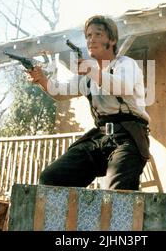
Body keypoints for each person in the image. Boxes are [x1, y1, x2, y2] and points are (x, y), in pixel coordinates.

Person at [26, 15, 150, 190]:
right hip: (100, 137)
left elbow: (123, 87)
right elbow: (59, 92)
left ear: (112, 40)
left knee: (115, 191)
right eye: (89, 36)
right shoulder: (88, 74)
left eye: (98, 34)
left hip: (129, 137)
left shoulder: (125, 64)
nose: (91, 40)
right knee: (52, 177)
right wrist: (41, 80)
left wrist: (92, 71)